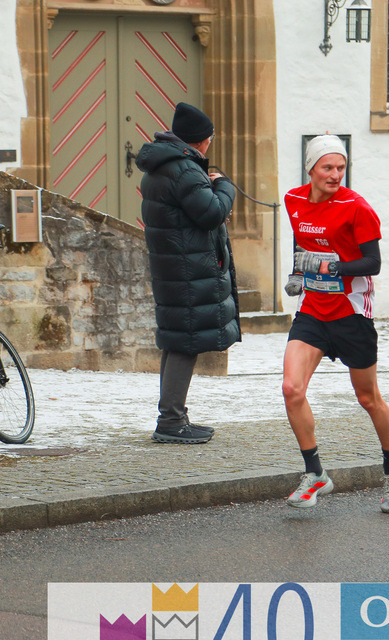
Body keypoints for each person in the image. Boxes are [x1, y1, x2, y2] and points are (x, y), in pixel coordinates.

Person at [281, 135, 389, 513]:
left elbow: (373, 263)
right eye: (328, 167)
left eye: (341, 167)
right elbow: (302, 242)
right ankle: (315, 473)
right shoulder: (293, 200)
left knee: (368, 398)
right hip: (313, 311)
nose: (335, 174)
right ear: (311, 169)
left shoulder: (357, 208)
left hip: (351, 314)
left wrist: (333, 266)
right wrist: (297, 273)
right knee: (291, 389)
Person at [136, 102, 240, 444]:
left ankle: (174, 417)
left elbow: (190, 212)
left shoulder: (164, 166)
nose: (210, 144)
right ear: (201, 140)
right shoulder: (184, 169)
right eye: (209, 138)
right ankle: (170, 422)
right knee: (185, 343)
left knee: (177, 341)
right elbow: (211, 213)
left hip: (174, 267)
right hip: (187, 270)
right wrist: (225, 186)